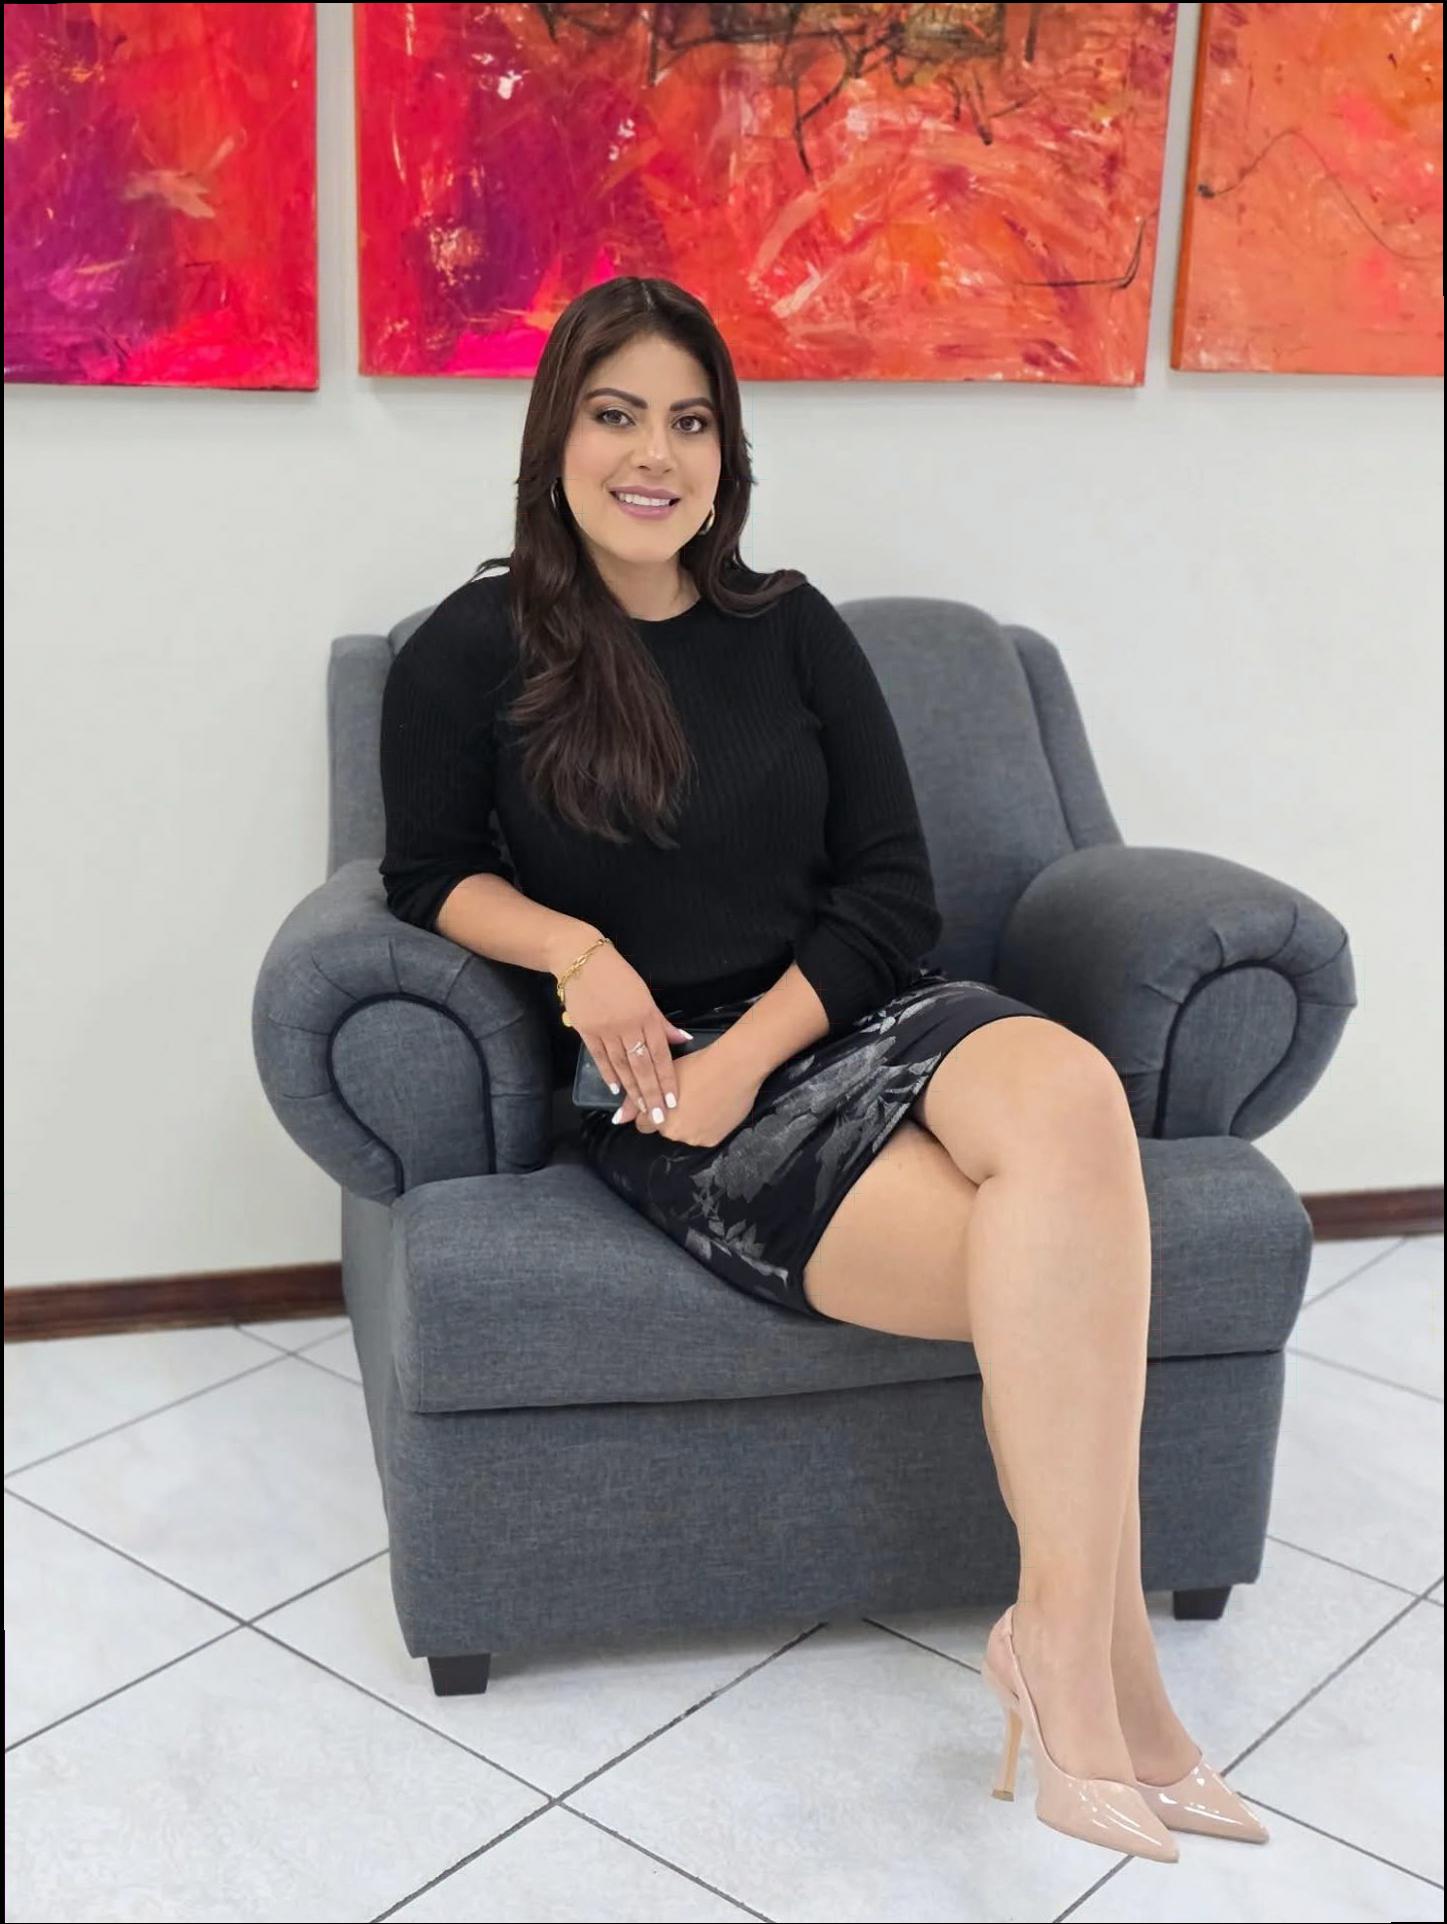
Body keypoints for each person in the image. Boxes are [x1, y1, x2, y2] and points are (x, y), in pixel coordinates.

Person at [378, 276, 1266, 1861]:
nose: (657, 454)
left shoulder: (788, 626)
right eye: (618, 413)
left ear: (728, 451)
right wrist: (580, 956)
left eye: (692, 421)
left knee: (1069, 1106)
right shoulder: (474, 644)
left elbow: (892, 897)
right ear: (557, 434)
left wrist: (761, 1055)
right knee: (1054, 1253)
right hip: (666, 1099)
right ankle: (1111, 1676)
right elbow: (425, 872)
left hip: (852, 1018)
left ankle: (1066, 1652)